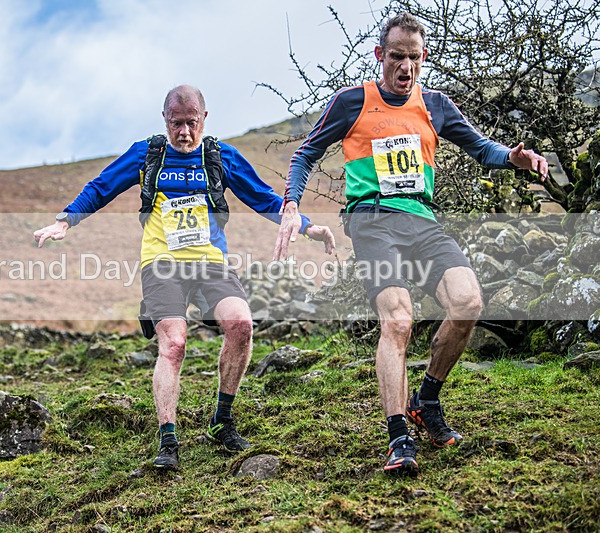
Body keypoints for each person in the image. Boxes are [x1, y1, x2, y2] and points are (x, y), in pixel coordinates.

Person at [273, 13, 548, 476]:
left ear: (423, 59)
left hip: (422, 222)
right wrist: (290, 204)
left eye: (414, 58)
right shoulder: (352, 101)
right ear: (381, 56)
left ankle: (426, 401)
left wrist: (513, 157)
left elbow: (482, 149)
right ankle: (399, 436)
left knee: (467, 304)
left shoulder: (435, 104)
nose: (405, 66)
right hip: (373, 222)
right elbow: (305, 153)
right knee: (398, 320)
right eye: (397, 56)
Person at [34, 85, 335, 470]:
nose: (185, 133)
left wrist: (305, 226)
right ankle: (168, 441)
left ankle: (222, 422)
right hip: (161, 264)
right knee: (174, 343)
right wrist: (65, 222)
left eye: (192, 124)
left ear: (204, 119)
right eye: (177, 124)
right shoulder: (148, 154)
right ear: (165, 120)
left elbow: (263, 197)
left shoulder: (221, 157)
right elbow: (101, 187)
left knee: (241, 325)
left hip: (211, 262)